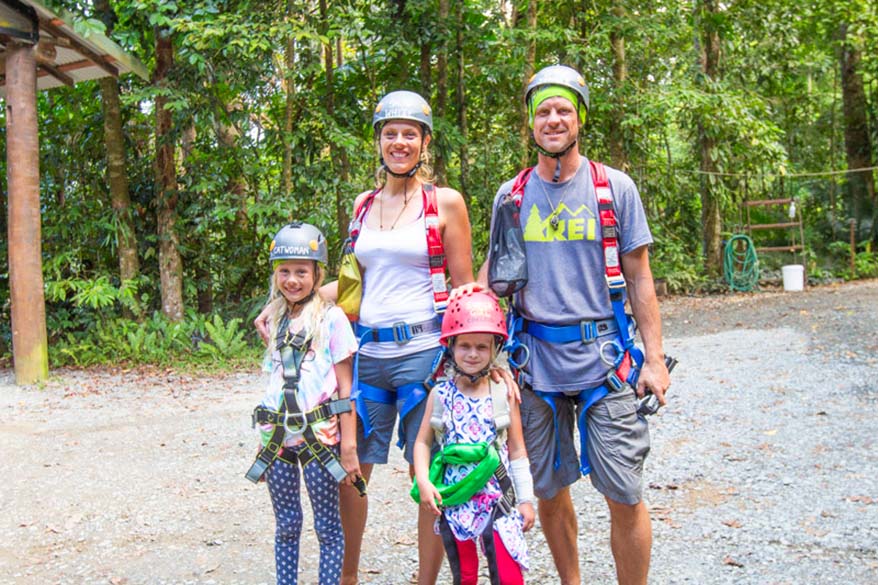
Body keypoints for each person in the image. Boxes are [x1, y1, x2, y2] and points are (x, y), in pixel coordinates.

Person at [257, 90, 474, 585]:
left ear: (424, 143)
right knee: (351, 470)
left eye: (409, 134)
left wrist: (479, 360)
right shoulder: (363, 206)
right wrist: (283, 307)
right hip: (367, 353)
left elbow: (462, 286)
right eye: (390, 133)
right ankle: (346, 576)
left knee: (432, 477)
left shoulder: (445, 203)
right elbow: (351, 286)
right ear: (378, 140)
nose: (399, 142)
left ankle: (425, 581)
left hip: (425, 354)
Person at [468, 65, 671, 585]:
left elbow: (640, 275)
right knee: (549, 490)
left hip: (606, 358)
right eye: (543, 112)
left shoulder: (614, 189)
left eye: (563, 110)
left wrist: (653, 359)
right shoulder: (510, 196)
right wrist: (469, 332)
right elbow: (494, 274)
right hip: (533, 363)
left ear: (579, 117)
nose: (552, 120)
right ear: (531, 124)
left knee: (623, 492)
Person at [247, 222, 362, 585]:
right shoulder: (276, 319)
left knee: (327, 525)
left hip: (320, 438)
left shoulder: (332, 319)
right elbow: (274, 384)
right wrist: (262, 442)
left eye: (301, 271)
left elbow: (346, 390)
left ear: (317, 273)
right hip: (278, 440)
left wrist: (349, 447)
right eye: (285, 271)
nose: (292, 280)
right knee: (286, 524)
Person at [412, 291, 535, 585]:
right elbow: (422, 442)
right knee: (465, 576)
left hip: (498, 499)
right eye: (464, 345)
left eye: (482, 346)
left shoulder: (503, 394)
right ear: (451, 347)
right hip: (456, 500)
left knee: (509, 574)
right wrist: (424, 482)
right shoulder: (440, 395)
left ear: (495, 348)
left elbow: (517, 450)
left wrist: (527, 499)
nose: (472, 354)